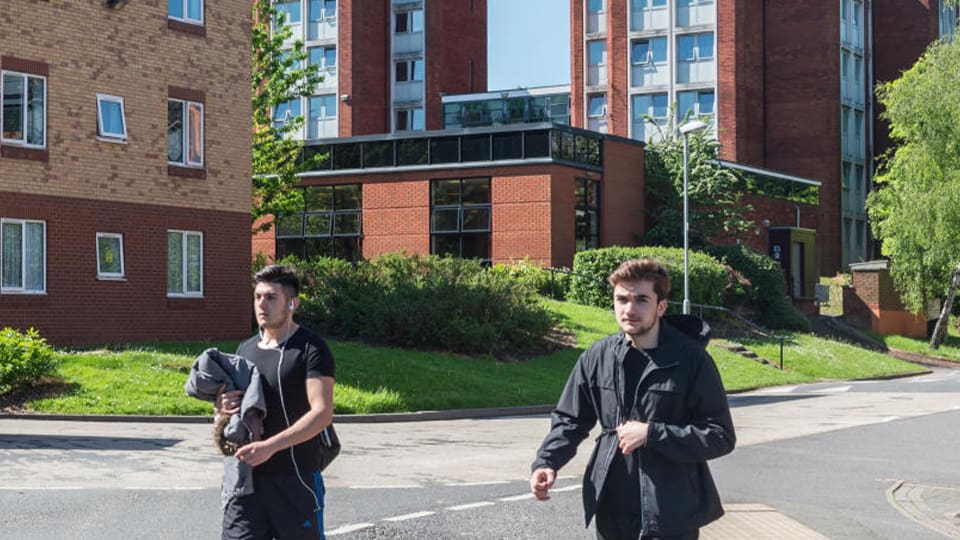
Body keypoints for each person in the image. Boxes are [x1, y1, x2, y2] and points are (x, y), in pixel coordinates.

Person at [530, 258, 735, 540]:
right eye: (622, 299)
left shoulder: (691, 359)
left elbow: (720, 435)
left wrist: (652, 433)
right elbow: (570, 419)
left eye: (641, 300)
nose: (629, 309)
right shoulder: (597, 356)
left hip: (671, 512)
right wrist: (547, 462)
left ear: (660, 306)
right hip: (610, 507)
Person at [217, 264, 336, 540]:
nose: (261, 304)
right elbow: (237, 412)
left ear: (292, 303)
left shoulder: (311, 349)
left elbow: (322, 413)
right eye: (257, 296)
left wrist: (270, 447)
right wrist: (223, 406)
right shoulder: (245, 350)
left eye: (271, 297)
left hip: (295, 482)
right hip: (246, 484)